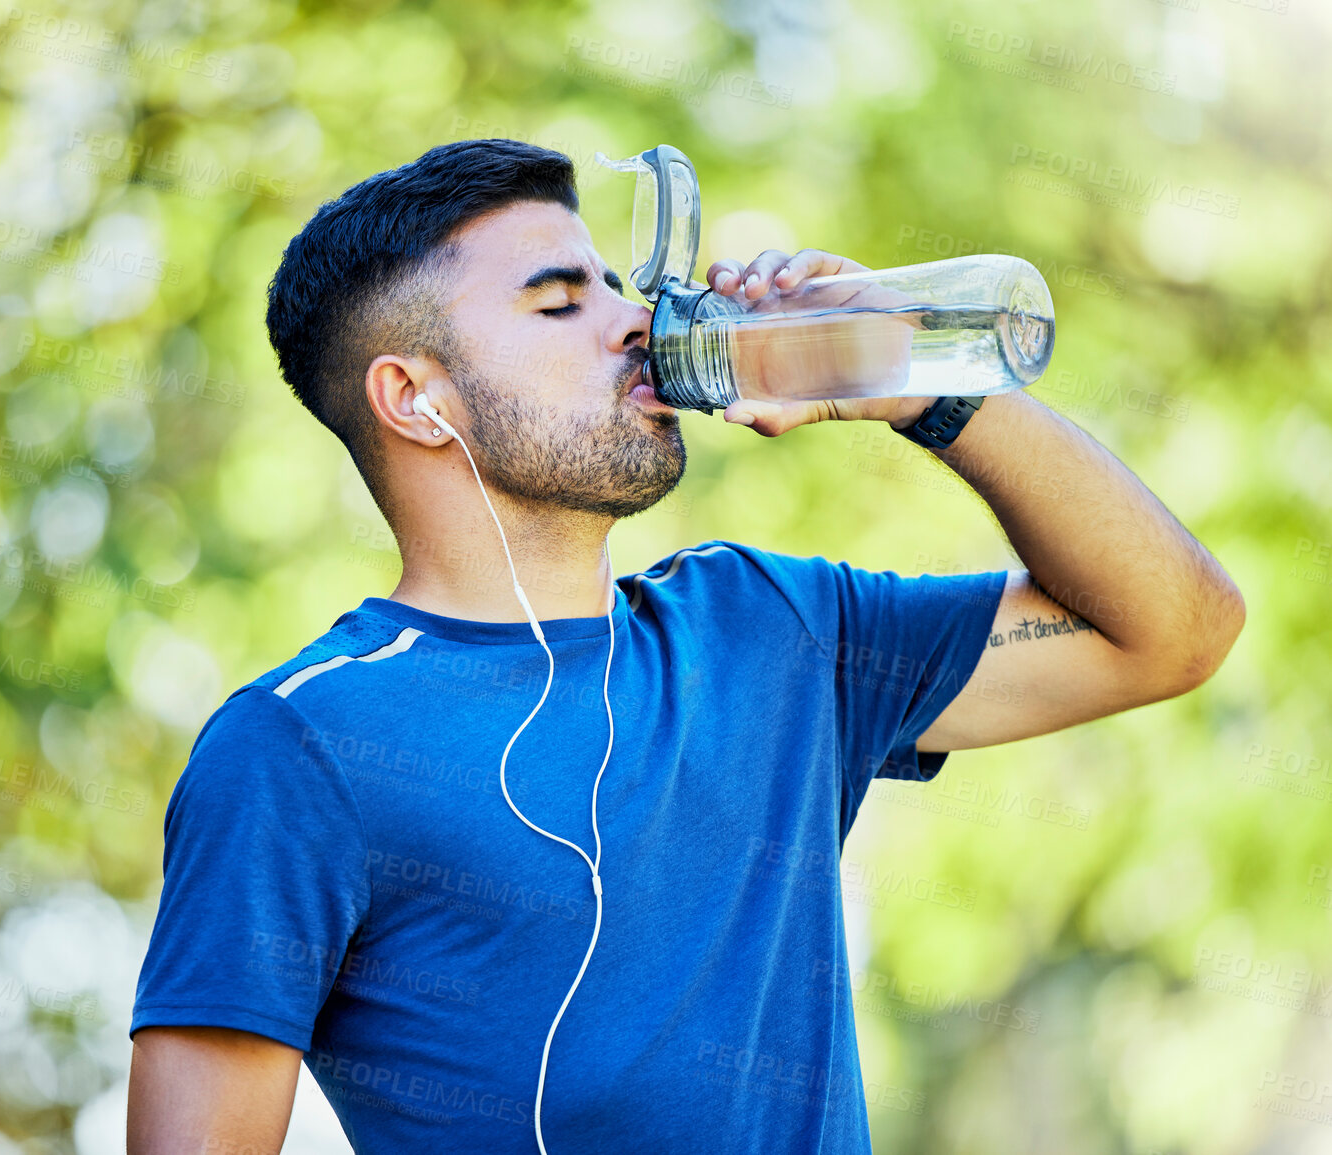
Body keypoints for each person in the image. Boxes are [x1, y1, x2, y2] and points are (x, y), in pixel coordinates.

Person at [124, 139, 1244, 1154]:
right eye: (562, 303)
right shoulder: (299, 745)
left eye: (617, 284)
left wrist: (912, 377)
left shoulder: (770, 630)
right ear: (416, 399)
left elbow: (1176, 630)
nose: (632, 323)